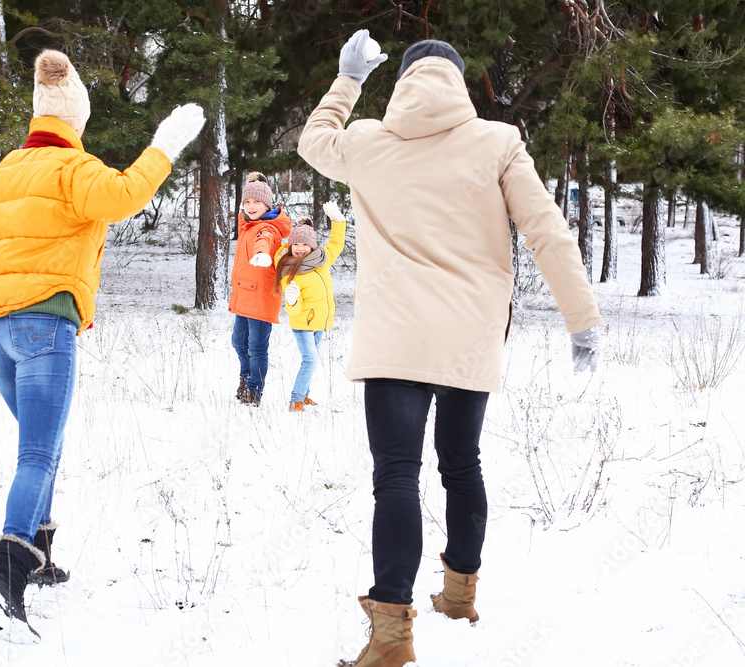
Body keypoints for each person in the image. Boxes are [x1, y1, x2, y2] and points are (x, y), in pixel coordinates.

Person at [297, 31, 603, 666]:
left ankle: (389, 637)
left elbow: (312, 142)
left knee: (396, 477)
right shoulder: (498, 141)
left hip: (394, 340)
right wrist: (582, 322)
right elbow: (546, 230)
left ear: (402, 82)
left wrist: (348, 80)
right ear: (459, 83)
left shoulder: (367, 141)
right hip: (469, 336)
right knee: (461, 463)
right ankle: (460, 593)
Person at [0, 48, 204, 642]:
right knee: (38, 455)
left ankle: (40, 553)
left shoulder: (5, 172)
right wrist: (165, 146)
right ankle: (9, 572)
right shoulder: (70, 168)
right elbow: (125, 195)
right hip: (43, 326)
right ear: (75, 120)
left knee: (42, 444)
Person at [273, 202, 347, 411]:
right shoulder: (288, 271)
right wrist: (293, 300)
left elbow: (336, 243)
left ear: (312, 247)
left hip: (319, 322)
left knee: (313, 360)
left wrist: (337, 220)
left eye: (304, 245)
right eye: (295, 245)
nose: (300, 249)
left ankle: (305, 395)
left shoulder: (321, 260)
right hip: (302, 324)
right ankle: (295, 399)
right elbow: (292, 311)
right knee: (311, 361)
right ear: (290, 247)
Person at [228, 172, 292, 406]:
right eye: (247, 202)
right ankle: (246, 376)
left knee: (256, 347)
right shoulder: (248, 225)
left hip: (262, 296)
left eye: (257, 202)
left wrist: (263, 254)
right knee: (238, 342)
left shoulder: (267, 228)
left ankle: (254, 389)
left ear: (268, 204)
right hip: (245, 293)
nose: (251, 206)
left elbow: (263, 241)